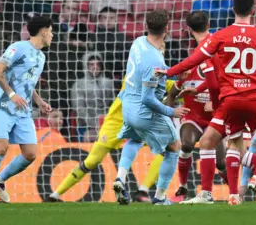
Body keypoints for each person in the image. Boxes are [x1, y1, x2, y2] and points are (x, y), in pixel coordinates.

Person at [159, 0, 256, 205]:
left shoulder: (219, 37)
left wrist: (169, 72)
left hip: (230, 102)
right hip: (255, 100)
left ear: (232, 10)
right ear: (253, 10)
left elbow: (194, 59)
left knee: (213, 143)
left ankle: (217, 193)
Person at [46, 76, 179, 203]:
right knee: (169, 149)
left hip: (121, 123)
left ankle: (55, 194)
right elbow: (171, 88)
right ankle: (141, 190)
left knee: (92, 161)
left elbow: (178, 88)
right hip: (127, 122)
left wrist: (185, 85)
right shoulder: (138, 73)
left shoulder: (144, 73)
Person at [112, 9, 189, 205]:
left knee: (135, 139)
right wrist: (172, 111)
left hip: (127, 105)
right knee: (174, 148)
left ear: (146, 26)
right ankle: (160, 197)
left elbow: (144, 79)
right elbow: (148, 99)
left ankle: (120, 178)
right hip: (142, 110)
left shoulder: (138, 42)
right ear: (167, 29)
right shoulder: (154, 61)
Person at [0, 15, 54, 204]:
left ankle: (0, 180)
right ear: (43, 31)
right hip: (4, 105)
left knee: (30, 154)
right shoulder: (18, 47)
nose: (52, 36)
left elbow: (28, 84)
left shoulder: (41, 56)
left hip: (23, 111)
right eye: (51, 31)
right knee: (1, 148)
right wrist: (12, 95)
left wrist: (38, 101)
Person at [167, 11, 227, 199]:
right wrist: (171, 117)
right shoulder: (195, 62)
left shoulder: (204, 55)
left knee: (222, 163)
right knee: (186, 144)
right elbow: (173, 93)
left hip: (215, 117)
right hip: (193, 117)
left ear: (189, 29)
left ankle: (235, 189)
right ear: (209, 24)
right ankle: (184, 185)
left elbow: (223, 82)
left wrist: (216, 100)